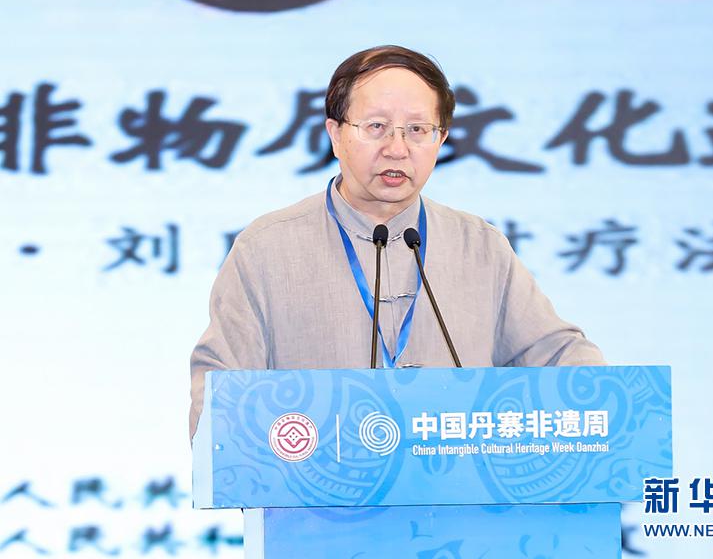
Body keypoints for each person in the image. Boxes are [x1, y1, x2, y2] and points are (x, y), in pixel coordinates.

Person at [189, 45, 604, 438]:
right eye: (376, 127)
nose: (397, 149)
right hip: (316, 485)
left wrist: (608, 402)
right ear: (335, 134)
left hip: (457, 483)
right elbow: (220, 391)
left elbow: (558, 355)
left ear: (442, 138)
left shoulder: (480, 246)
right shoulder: (267, 249)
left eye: (418, 130)